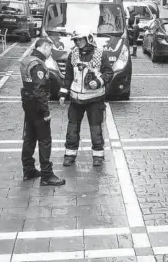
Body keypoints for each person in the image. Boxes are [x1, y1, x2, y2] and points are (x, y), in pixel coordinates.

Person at [59, 26, 113, 167]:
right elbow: (68, 76)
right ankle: (69, 155)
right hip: (76, 99)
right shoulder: (73, 54)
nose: (77, 42)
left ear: (88, 39)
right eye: (75, 40)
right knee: (72, 129)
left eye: (80, 39)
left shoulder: (100, 54)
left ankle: (98, 156)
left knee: (96, 129)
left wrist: (98, 82)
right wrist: (63, 94)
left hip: (95, 99)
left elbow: (108, 73)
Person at [20, 38, 66, 186]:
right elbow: (39, 90)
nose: (50, 53)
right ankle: (47, 175)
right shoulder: (38, 65)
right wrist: (46, 112)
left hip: (28, 104)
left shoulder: (27, 60)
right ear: (44, 47)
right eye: (49, 49)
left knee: (30, 138)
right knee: (45, 140)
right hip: (38, 106)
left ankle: (28, 170)